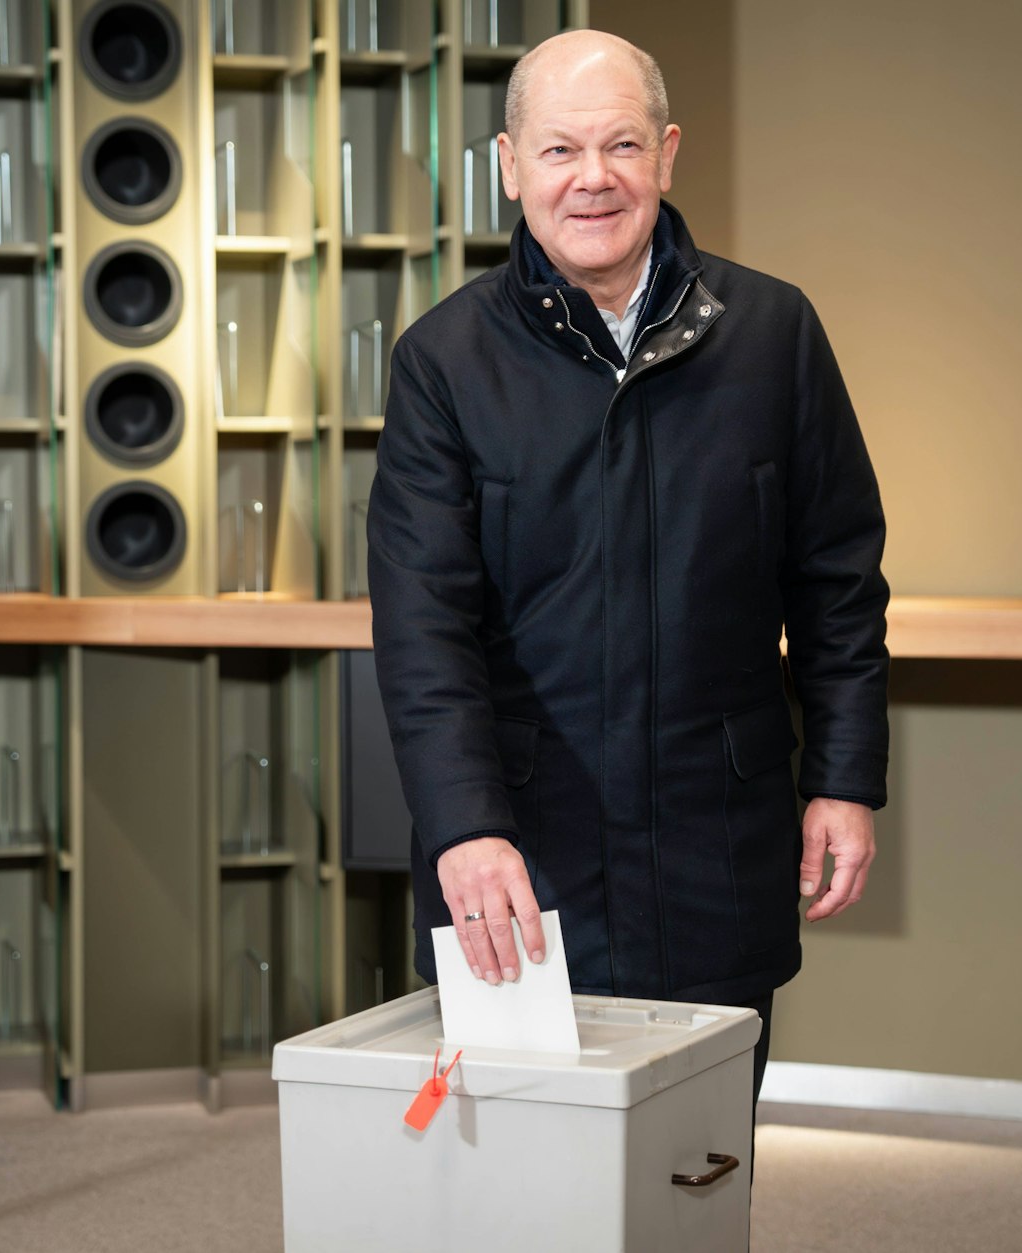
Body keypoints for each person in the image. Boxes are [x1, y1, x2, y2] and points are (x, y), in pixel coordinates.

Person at [366, 29, 889, 1107]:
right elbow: (423, 626)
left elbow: (835, 581)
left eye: (620, 145)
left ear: (667, 153)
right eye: (558, 150)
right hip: (519, 865)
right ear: (509, 165)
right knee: (525, 1181)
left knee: (696, 1168)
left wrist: (842, 776)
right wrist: (463, 824)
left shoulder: (773, 334)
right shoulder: (441, 362)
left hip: (719, 849)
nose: (591, 177)